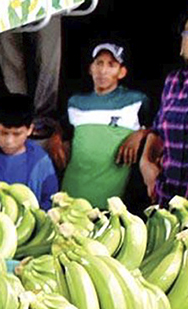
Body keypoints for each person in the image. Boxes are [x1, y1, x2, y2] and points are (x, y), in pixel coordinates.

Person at [48, 43, 153, 209]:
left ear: (122, 72)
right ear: (91, 68)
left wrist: (140, 134)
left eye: (111, 65)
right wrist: (55, 137)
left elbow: (159, 127)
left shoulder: (136, 100)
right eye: (99, 63)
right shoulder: (75, 102)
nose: (103, 71)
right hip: (70, 193)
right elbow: (62, 128)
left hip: (109, 202)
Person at [0, 94, 59, 209]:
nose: (9, 141)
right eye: (3, 133)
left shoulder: (41, 162)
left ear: (30, 130)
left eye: (17, 134)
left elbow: (50, 200)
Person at [143, 14, 188, 203]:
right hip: (168, 204)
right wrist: (145, 162)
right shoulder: (174, 81)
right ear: (182, 44)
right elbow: (157, 131)